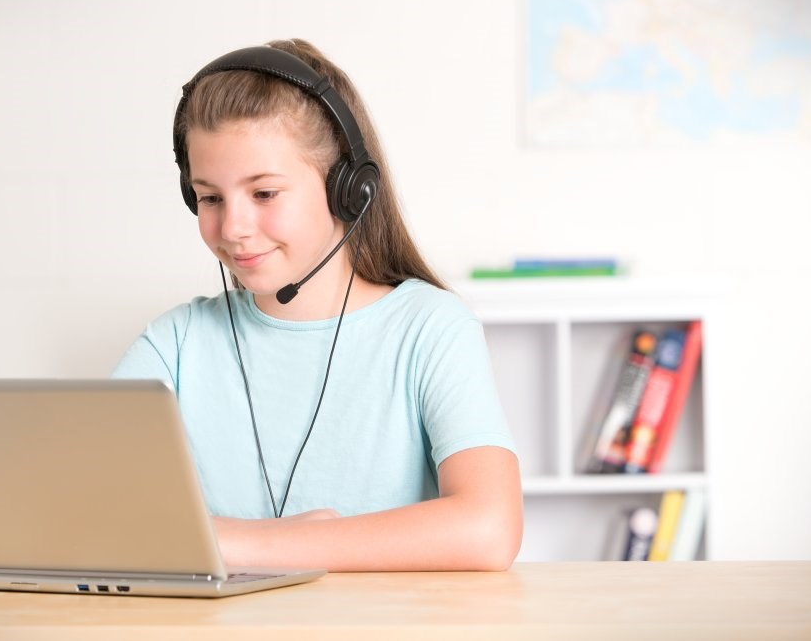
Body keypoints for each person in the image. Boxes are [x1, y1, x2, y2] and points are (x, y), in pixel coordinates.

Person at [113, 39, 522, 571]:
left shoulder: (430, 329)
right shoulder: (174, 344)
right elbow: (76, 510)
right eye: (210, 198)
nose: (232, 228)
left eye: (263, 194)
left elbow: (489, 528)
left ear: (348, 190)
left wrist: (240, 544)